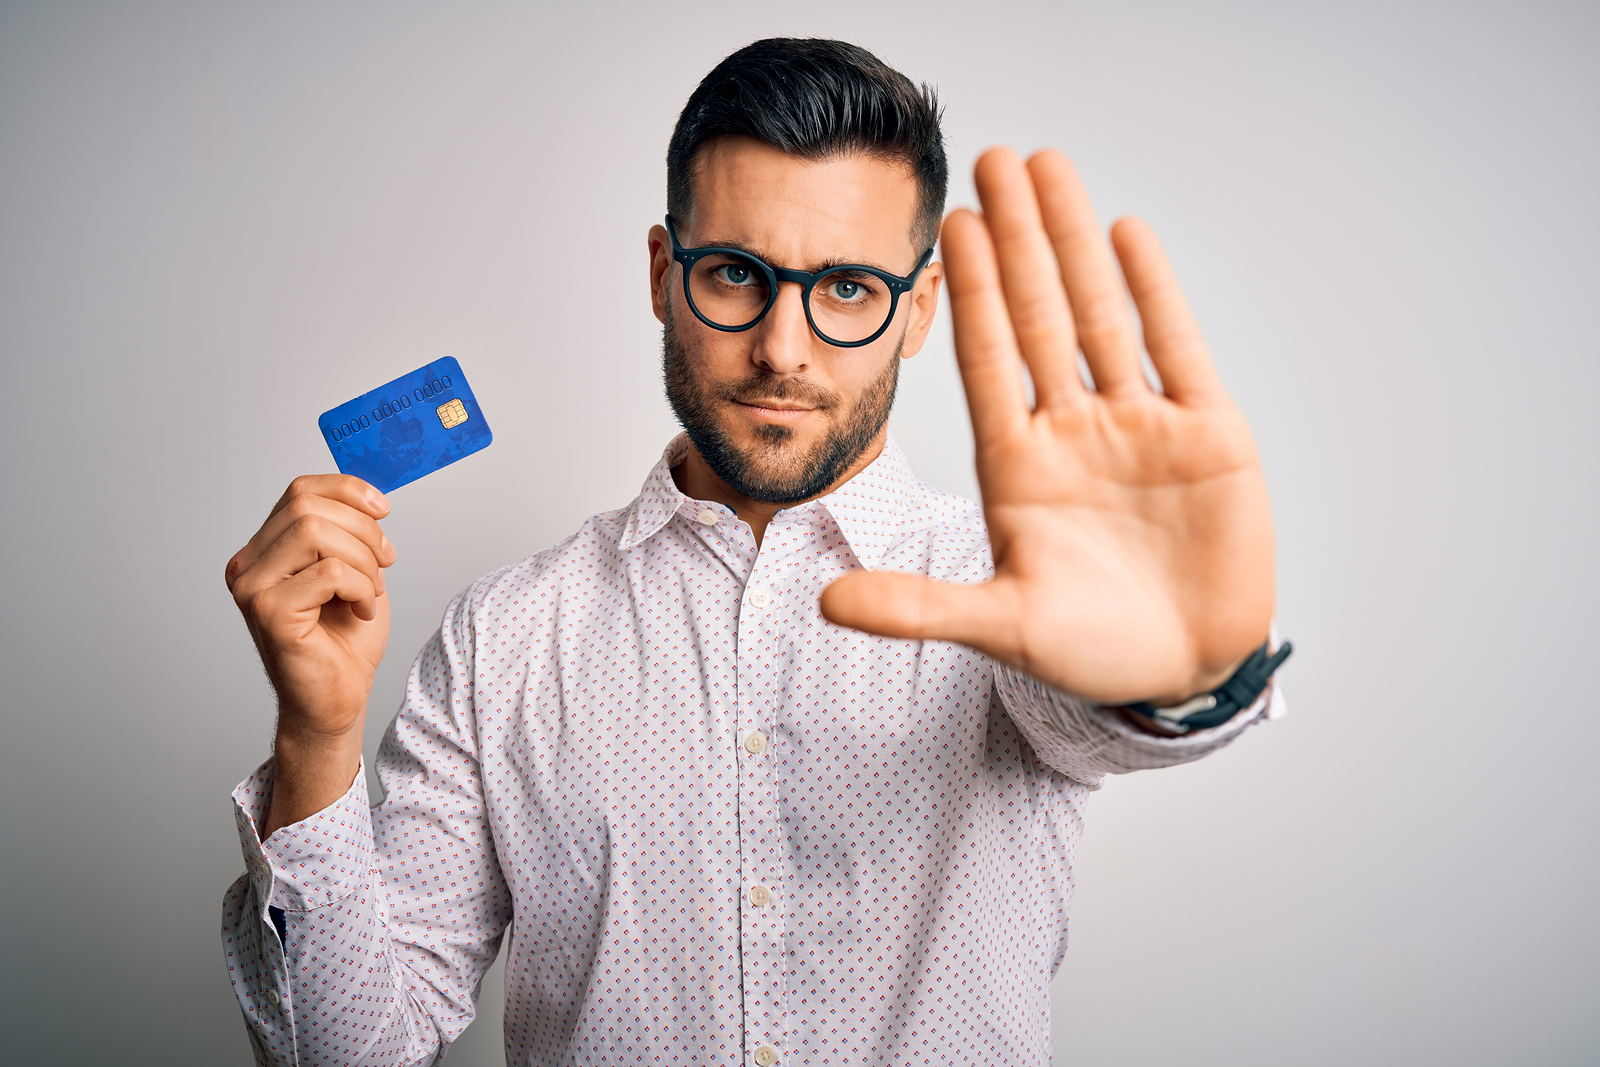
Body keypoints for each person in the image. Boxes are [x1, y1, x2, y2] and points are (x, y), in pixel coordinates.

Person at [222, 37, 1286, 1067]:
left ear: (917, 310)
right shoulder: (505, 635)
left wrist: (1184, 668)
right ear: (661, 271)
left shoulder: (1009, 590)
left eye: (848, 289)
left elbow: (1100, 700)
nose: (784, 347)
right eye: (735, 274)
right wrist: (318, 739)